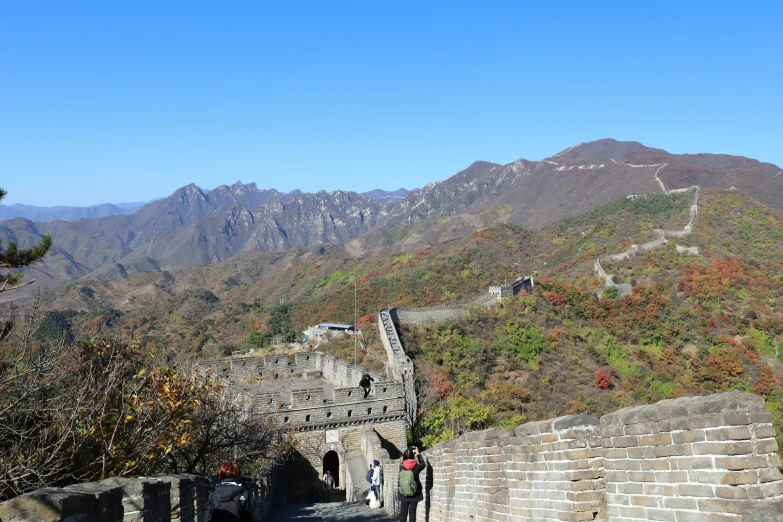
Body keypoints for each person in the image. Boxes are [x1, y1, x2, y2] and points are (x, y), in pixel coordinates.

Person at [397, 447, 425, 522]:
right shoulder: (416, 467)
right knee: (412, 513)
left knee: (403, 514)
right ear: (413, 456)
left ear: (404, 457)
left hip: (403, 493)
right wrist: (418, 453)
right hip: (414, 492)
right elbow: (423, 464)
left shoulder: (402, 466)